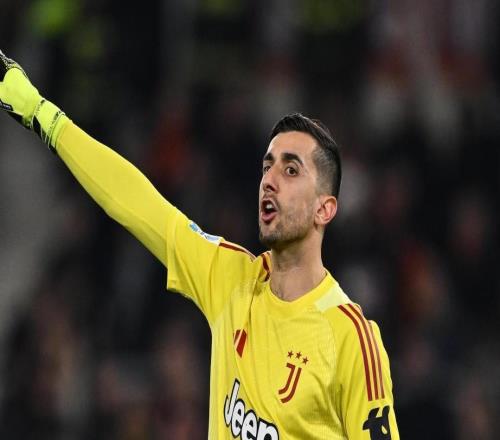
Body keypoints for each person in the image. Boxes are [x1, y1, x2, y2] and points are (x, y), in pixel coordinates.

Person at [0, 49, 399, 439]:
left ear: (324, 209)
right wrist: (41, 114)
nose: (270, 180)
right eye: (268, 166)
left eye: (291, 169)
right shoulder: (230, 278)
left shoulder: (350, 339)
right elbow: (138, 203)